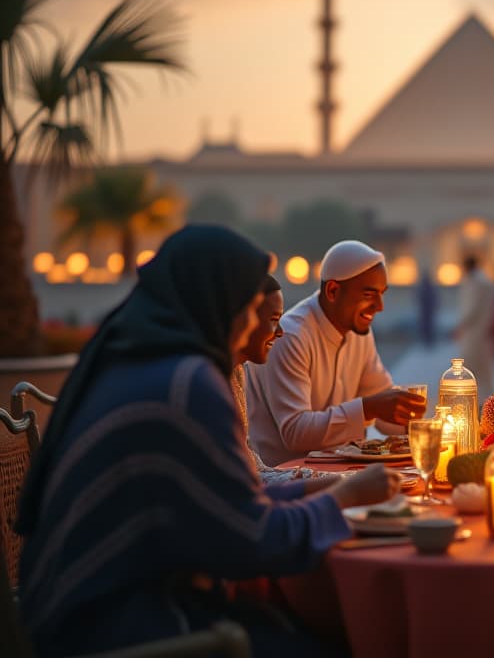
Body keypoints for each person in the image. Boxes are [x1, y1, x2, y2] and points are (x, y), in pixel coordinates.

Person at [15, 226, 401, 657]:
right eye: (251, 308)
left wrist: (319, 487)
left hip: (86, 603)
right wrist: (344, 497)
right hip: (114, 627)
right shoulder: (187, 386)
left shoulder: (149, 363)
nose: (259, 325)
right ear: (216, 305)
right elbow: (253, 540)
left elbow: (230, 502)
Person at [246, 240, 427, 466]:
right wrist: (368, 408)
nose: (380, 306)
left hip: (343, 472)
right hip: (286, 478)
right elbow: (295, 432)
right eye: (370, 294)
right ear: (333, 291)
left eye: (382, 294)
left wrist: (414, 421)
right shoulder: (291, 336)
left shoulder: (360, 333)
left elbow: (383, 409)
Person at [230, 275, 333, 485]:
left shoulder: (237, 370)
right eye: (273, 321)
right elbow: (236, 483)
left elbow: (253, 468)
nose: (280, 332)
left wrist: (309, 478)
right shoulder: (205, 381)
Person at [453, 254, 494, 397]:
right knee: (483, 368)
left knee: (473, 366)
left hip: (475, 332)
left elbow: (472, 309)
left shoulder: (476, 282)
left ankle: (476, 400)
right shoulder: (481, 280)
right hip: (481, 331)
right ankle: (486, 399)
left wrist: (461, 326)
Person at [416, 269, 438, 347]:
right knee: (425, 326)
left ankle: (429, 340)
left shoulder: (429, 287)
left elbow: (435, 298)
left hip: (428, 310)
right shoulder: (423, 287)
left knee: (429, 326)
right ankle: (426, 340)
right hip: (424, 310)